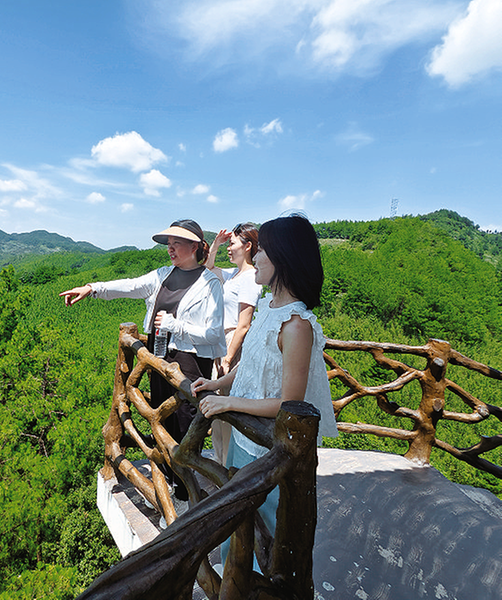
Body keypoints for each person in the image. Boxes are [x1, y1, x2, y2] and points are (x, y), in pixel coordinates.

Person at [191, 213, 337, 565]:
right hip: (247, 442)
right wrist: (219, 383)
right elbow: (253, 361)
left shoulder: (297, 324)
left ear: (283, 257)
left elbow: (291, 402)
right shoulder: (270, 307)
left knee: (261, 536)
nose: (255, 257)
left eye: (263, 250)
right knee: (236, 527)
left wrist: (229, 402)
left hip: (270, 451)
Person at [60, 219, 226, 500]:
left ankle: (186, 496)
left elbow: (214, 334)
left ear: (195, 246)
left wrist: (177, 326)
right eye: (169, 244)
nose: (170, 249)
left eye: (177, 244)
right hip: (159, 361)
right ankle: (171, 488)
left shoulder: (210, 284)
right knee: (162, 424)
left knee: (184, 428)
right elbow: (130, 285)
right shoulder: (163, 275)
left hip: (190, 365)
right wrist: (92, 288)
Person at [204, 223, 263, 464]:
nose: (229, 248)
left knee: (226, 405)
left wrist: (228, 358)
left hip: (232, 344)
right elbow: (207, 270)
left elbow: (244, 324)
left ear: (247, 246)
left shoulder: (250, 278)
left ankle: (229, 467)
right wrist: (216, 244)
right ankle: (221, 461)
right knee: (217, 404)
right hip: (222, 342)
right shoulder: (233, 275)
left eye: (232, 243)